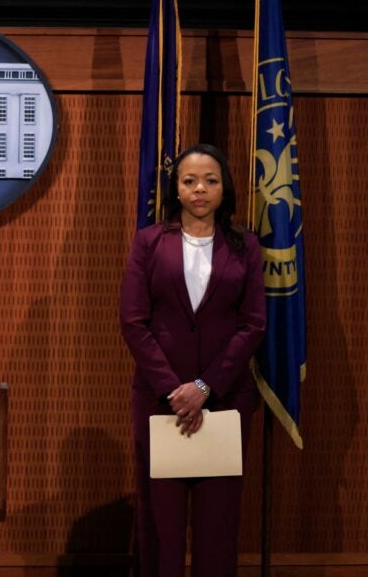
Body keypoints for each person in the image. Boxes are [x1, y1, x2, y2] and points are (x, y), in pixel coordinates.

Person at [119, 144, 266, 577]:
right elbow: (133, 321)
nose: (200, 188)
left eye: (211, 180)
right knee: (159, 528)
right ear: (176, 190)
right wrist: (173, 387)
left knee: (218, 529)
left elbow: (253, 324)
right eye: (189, 181)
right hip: (160, 404)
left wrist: (205, 387)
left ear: (225, 189)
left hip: (224, 403)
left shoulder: (246, 246)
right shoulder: (149, 242)